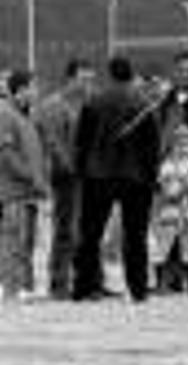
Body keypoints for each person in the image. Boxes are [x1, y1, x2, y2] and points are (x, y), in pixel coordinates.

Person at [73, 57, 161, 303]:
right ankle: (138, 289)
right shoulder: (143, 103)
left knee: (90, 234)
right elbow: (152, 146)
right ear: (131, 74)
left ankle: (84, 287)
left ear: (109, 74)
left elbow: (82, 142)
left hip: (98, 175)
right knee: (136, 236)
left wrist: (81, 172)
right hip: (136, 178)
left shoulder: (93, 101)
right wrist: (152, 178)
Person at [33, 58, 96, 300]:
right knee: (66, 230)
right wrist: (70, 168)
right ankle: (59, 281)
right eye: (83, 79)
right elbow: (53, 143)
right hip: (66, 178)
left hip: (89, 177)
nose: (88, 84)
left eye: (91, 79)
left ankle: (88, 280)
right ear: (70, 79)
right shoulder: (54, 106)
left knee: (87, 231)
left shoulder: (89, 103)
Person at [0, 70, 49, 302]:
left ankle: (23, 286)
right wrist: (31, 177)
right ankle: (11, 288)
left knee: (26, 242)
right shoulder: (4, 113)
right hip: (13, 191)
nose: (36, 92)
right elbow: (7, 154)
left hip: (29, 191)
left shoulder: (25, 115)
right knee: (13, 241)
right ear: (20, 90)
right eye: (32, 88)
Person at [150, 125, 188, 294]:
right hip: (170, 211)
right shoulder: (167, 166)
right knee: (163, 247)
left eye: (187, 144)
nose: (183, 148)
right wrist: (175, 189)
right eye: (180, 144)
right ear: (173, 146)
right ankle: (161, 283)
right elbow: (164, 187)